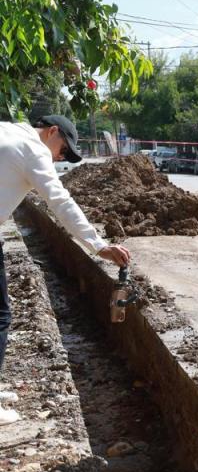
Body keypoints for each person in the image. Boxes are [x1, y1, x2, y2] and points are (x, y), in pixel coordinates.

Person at [0, 115, 131, 426]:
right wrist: (98, 246)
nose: (60, 158)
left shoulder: (6, 129)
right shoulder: (34, 149)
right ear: (52, 131)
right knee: (1, 315)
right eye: (63, 151)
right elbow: (60, 200)